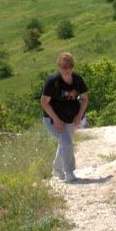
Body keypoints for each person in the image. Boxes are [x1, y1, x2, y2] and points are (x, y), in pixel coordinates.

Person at [41, 52, 89, 182]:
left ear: (73, 66)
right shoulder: (53, 81)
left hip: (70, 119)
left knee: (64, 143)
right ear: (59, 67)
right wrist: (56, 120)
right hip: (52, 119)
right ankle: (69, 173)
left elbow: (85, 99)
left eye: (69, 67)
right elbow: (44, 102)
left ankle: (57, 168)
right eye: (64, 67)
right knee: (67, 142)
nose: (67, 70)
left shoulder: (77, 80)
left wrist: (79, 116)